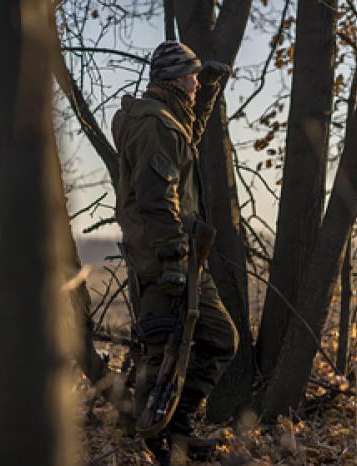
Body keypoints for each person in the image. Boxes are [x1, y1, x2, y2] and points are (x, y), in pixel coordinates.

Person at [112, 40, 239, 463]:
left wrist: (209, 93)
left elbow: (186, 144)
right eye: (193, 75)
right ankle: (159, 443)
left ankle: (172, 433)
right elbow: (156, 196)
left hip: (176, 256)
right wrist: (171, 261)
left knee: (195, 343)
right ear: (173, 79)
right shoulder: (155, 126)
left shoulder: (163, 119)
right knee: (172, 349)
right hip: (169, 258)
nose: (196, 80)